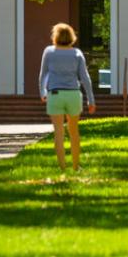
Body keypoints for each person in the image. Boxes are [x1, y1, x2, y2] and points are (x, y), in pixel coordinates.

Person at [38, 22, 96, 171]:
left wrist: (42, 92)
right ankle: (76, 166)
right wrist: (91, 99)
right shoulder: (77, 53)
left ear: (55, 36)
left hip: (55, 94)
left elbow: (43, 74)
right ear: (72, 36)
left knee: (58, 132)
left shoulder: (49, 52)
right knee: (74, 131)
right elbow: (85, 78)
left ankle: (63, 167)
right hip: (73, 94)